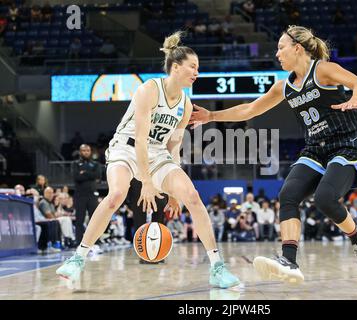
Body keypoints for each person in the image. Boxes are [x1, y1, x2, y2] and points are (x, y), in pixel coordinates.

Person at [190, 25, 357, 283]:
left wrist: (355, 98)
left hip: (346, 144)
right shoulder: (284, 87)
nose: (277, 54)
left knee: (325, 199)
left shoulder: (322, 70)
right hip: (315, 149)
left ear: (297, 48)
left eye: (281, 48)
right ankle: (289, 261)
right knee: (287, 195)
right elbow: (250, 110)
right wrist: (211, 116)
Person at [56, 31, 239, 289]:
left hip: (158, 154)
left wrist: (173, 193)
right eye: (193, 67)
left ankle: (217, 267)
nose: (197, 72)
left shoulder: (186, 105)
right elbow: (140, 139)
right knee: (117, 194)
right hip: (126, 148)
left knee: (193, 196)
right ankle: (77, 259)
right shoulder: (149, 89)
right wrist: (146, 182)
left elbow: (174, 146)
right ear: (176, 67)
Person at [72, 144, 102, 246]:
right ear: (80, 152)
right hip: (79, 195)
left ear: (90, 152)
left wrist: (84, 172)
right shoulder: (75, 164)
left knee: (94, 218)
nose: (86, 152)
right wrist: (90, 174)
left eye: (88, 150)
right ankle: (79, 241)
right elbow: (76, 177)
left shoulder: (96, 164)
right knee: (79, 219)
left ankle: (95, 241)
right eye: (83, 150)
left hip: (92, 195)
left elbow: (97, 175)